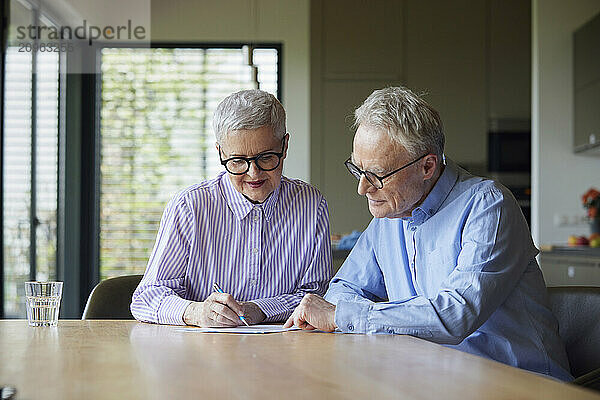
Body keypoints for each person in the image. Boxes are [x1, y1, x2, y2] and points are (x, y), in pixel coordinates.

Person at [284, 86, 572, 381]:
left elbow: (455, 315)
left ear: (427, 166)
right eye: (358, 170)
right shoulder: (389, 216)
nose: (363, 188)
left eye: (377, 175)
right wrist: (359, 314)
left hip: (520, 385)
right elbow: (342, 291)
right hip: (432, 381)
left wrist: (347, 317)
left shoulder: (488, 205)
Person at [131, 89, 331, 327]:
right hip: (200, 355)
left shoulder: (311, 205)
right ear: (220, 153)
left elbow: (317, 297)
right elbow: (146, 298)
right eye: (237, 161)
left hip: (284, 353)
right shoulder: (190, 207)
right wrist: (196, 312)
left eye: (266, 157)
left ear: (285, 146)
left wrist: (260, 309)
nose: (253, 174)